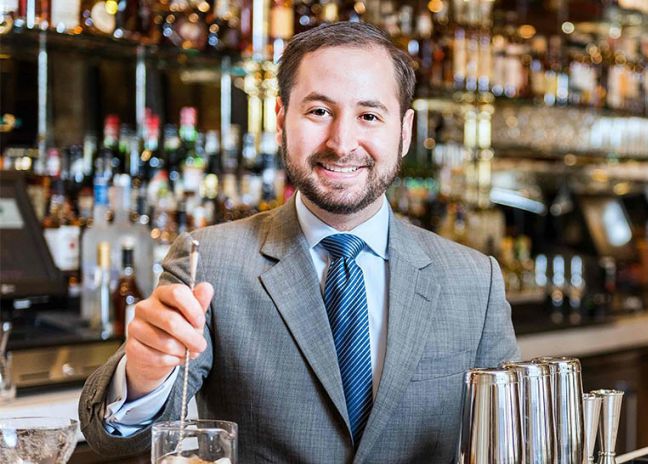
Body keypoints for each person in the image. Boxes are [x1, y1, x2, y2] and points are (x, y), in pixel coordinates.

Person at [79, 21, 519, 463]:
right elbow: (114, 436)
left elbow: (511, 445)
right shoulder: (210, 261)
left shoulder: (474, 281)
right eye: (319, 112)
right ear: (280, 119)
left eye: (369, 115)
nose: (342, 142)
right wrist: (143, 374)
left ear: (403, 132)